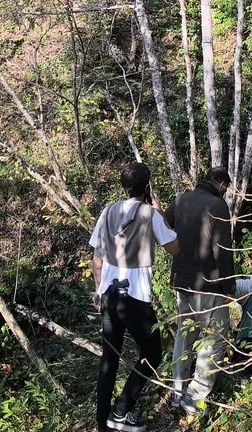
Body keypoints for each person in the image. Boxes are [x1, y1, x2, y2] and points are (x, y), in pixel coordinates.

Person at [90, 161, 181, 432]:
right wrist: (161, 212)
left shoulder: (108, 211)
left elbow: (96, 258)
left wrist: (98, 290)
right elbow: (174, 248)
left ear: (123, 186)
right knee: (153, 352)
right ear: (147, 186)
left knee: (109, 357)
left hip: (108, 294)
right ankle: (121, 411)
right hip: (136, 297)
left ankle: (102, 422)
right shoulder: (149, 215)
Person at [167, 166, 235, 415]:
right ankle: (195, 396)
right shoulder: (217, 206)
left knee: (184, 335)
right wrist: (229, 286)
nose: (226, 192)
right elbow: (223, 251)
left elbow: (164, 227)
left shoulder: (181, 200)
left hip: (181, 281)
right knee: (215, 337)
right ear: (221, 184)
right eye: (226, 188)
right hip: (208, 284)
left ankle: (177, 391)